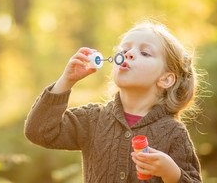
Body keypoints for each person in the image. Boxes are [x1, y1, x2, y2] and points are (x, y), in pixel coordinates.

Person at [24, 20, 202, 183]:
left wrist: (171, 173)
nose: (129, 54)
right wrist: (66, 81)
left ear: (165, 79)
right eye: (124, 50)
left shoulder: (173, 132)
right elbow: (39, 132)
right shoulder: (93, 118)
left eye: (145, 52)